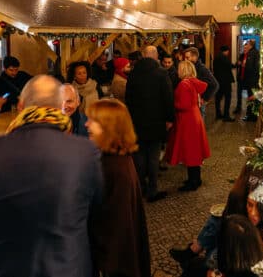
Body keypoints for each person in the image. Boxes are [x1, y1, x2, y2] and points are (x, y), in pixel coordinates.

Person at [0, 75, 104, 277]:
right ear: (59, 107)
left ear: (21, 106)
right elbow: (97, 215)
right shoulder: (84, 153)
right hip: (63, 266)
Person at [85, 99, 151, 277]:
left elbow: (118, 228)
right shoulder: (117, 159)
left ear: (109, 127)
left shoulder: (113, 168)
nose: (86, 124)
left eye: (93, 120)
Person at [125, 45, 175, 202]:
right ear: (155, 57)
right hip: (156, 121)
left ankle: (140, 187)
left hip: (137, 122)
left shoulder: (133, 74)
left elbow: (128, 98)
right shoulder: (161, 73)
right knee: (153, 157)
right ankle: (152, 189)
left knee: (139, 156)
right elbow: (168, 98)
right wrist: (169, 119)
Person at [166, 60, 210, 192]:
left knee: (190, 151)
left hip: (187, 120)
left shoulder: (184, 84)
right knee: (194, 151)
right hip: (194, 117)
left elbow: (183, 105)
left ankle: (193, 182)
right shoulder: (193, 82)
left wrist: (172, 104)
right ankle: (196, 178)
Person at [183, 47, 219, 120]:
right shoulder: (191, 67)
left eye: (187, 57)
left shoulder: (202, 69)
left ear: (194, 57)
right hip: (192, 102)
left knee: (199, 123)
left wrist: (205, 98)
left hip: (199, 102)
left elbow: (215, 84)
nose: (185, 60)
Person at [235, 40, 260, 121]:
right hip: (249, 79)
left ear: (250, 45)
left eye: (247, 45)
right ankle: (250, 115)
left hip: (251, 80)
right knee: (250, 97)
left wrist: (244, 65)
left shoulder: (253, 53)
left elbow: (252, 67)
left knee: (251, 98)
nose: (245, 47)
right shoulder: (252, 53)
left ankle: (251, 116)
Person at [213, 46, 235, 122]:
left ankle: (218, 114)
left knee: (218, 98)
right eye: (228, 51)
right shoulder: (223, 57)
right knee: (228, 98)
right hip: (225, 82)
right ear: (225, 51)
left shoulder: (217, 57)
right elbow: (230, 65)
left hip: (218, 81)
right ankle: (226, 115)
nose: (228, 53)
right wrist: (237, 64)